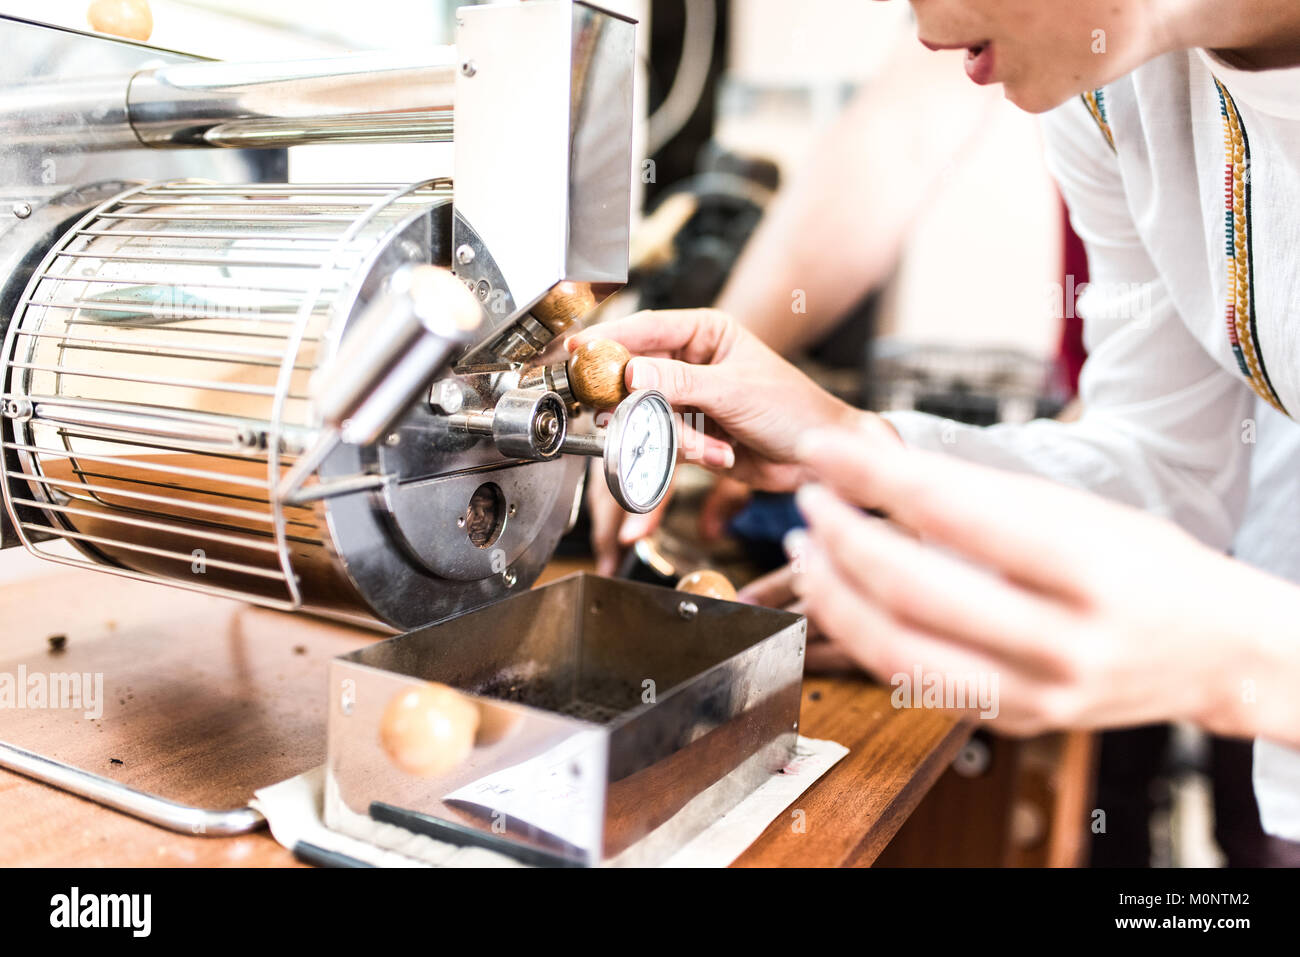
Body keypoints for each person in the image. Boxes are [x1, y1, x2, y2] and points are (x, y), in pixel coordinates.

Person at [567, 0, 1300, 843]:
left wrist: (1234, 655)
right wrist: (852, 443)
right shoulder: (1114, 92)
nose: (917, 32)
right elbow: (1167, 465)